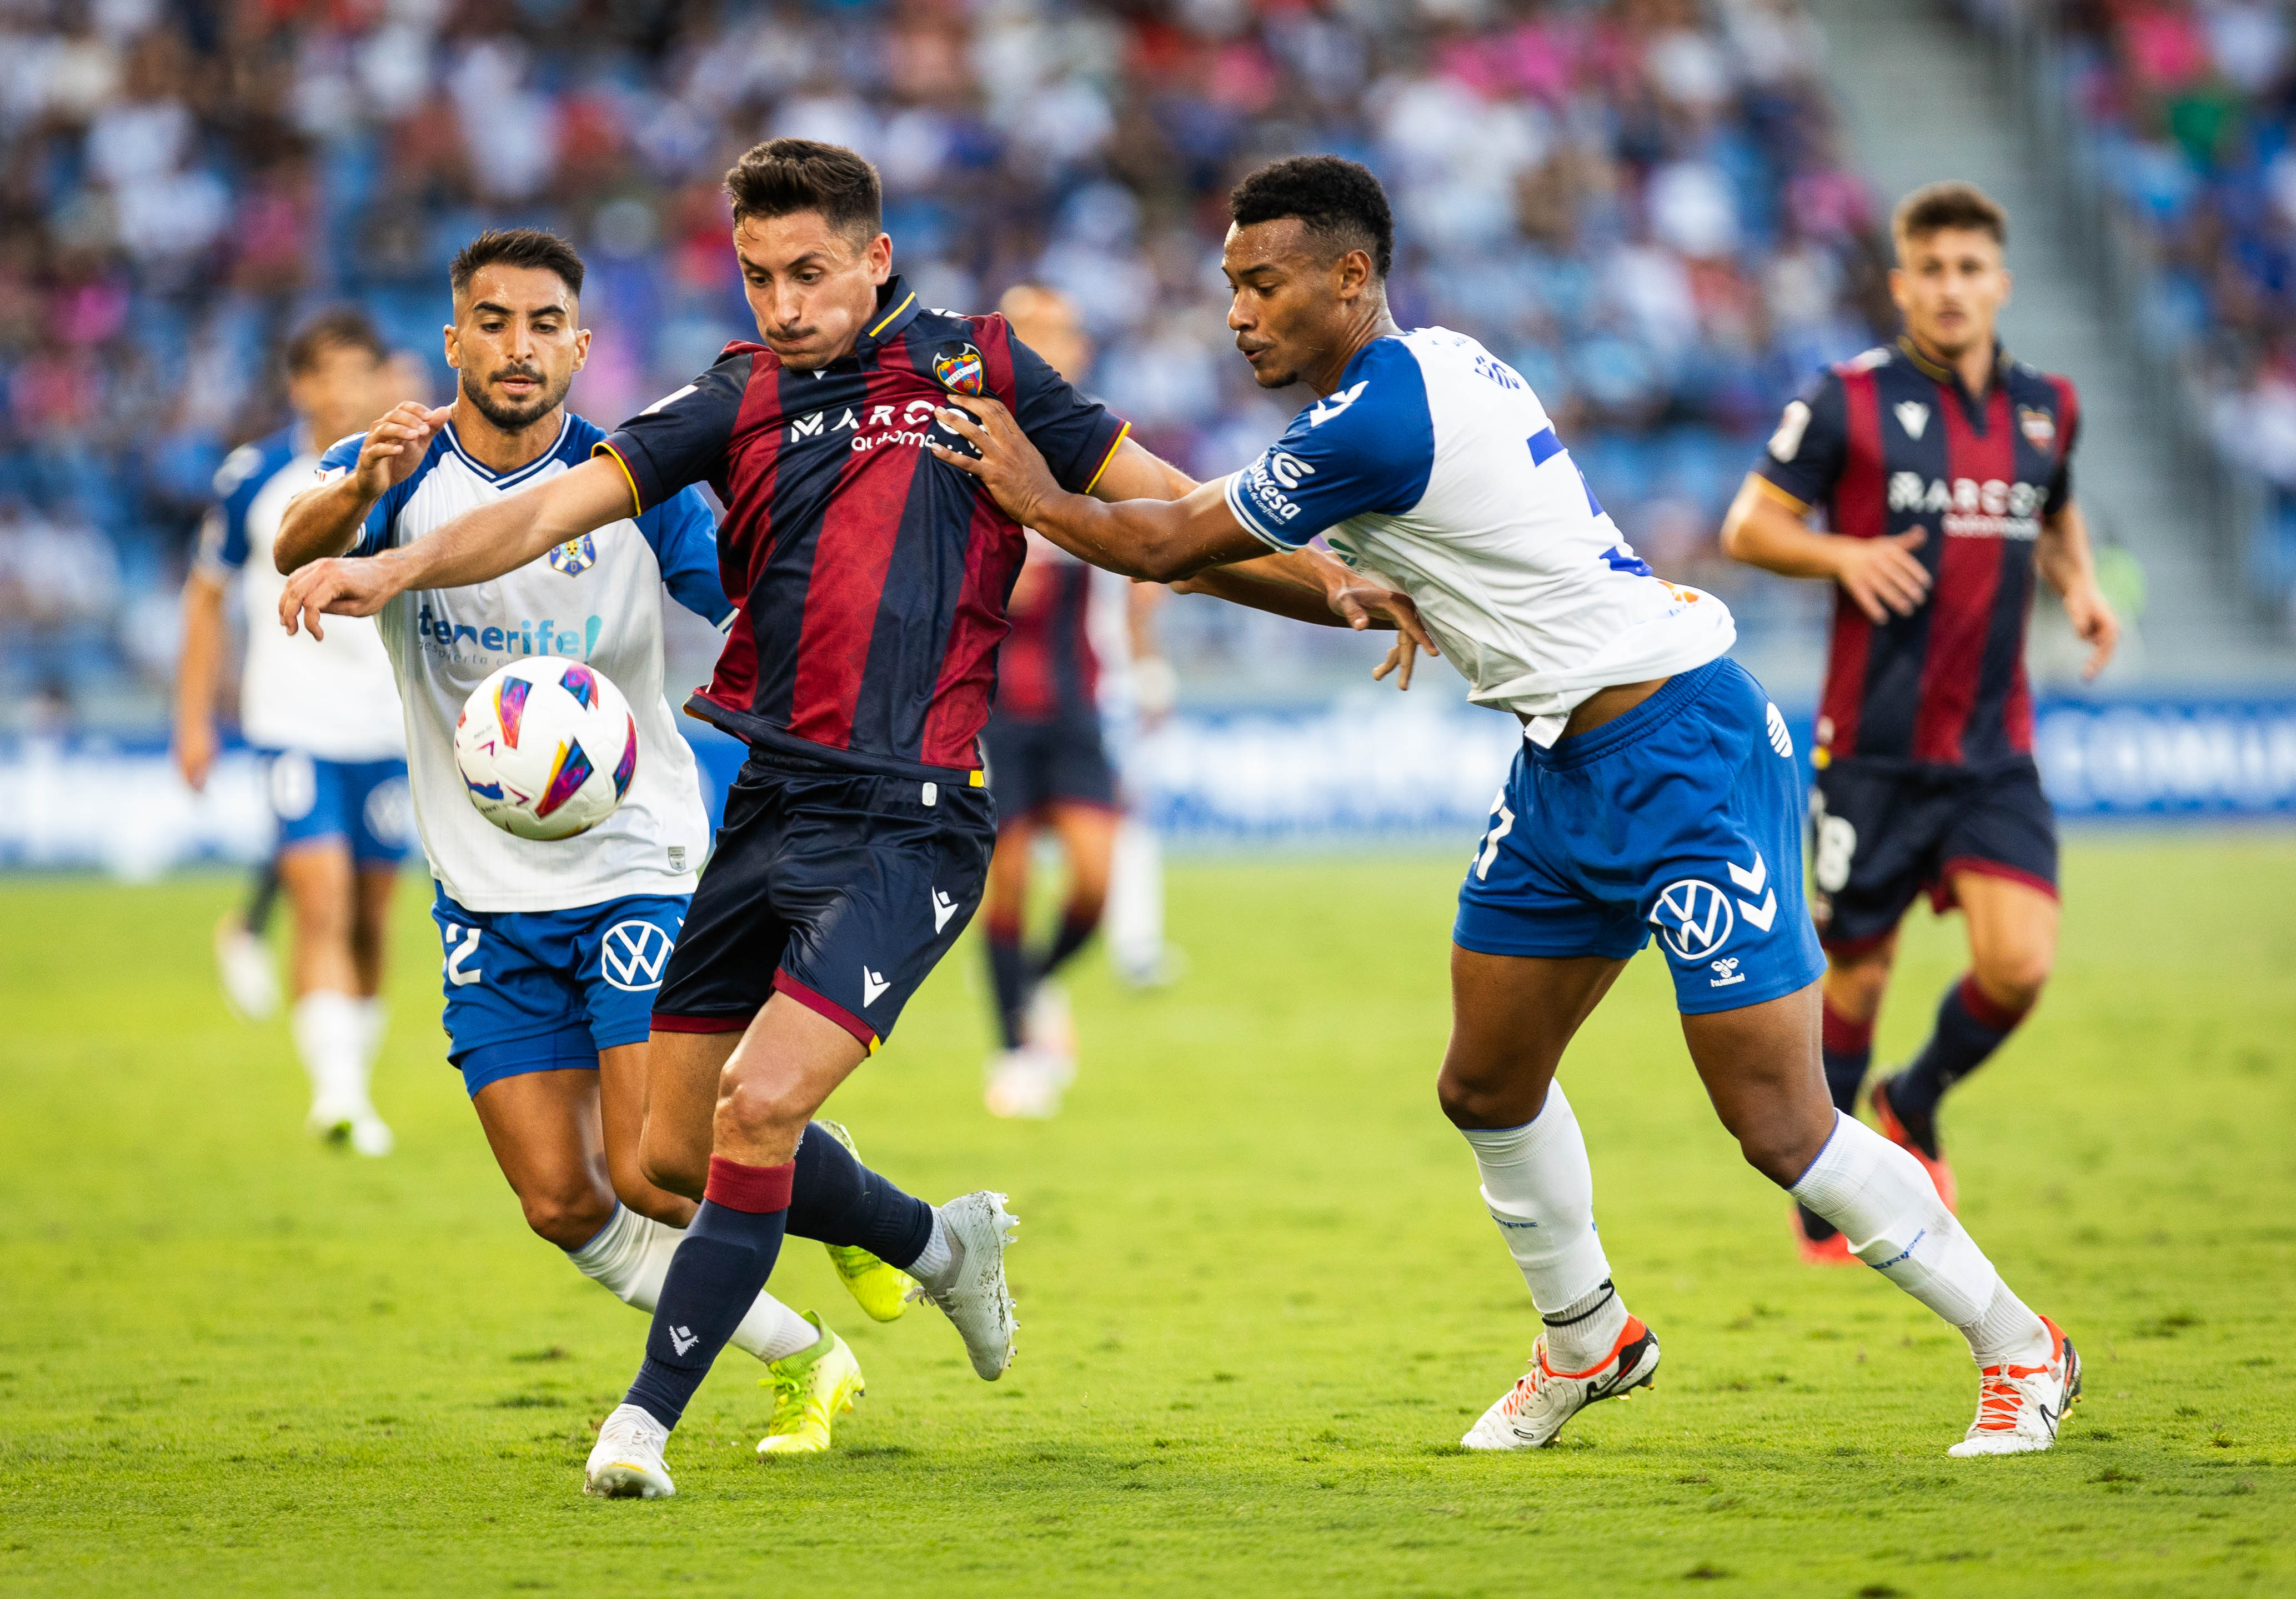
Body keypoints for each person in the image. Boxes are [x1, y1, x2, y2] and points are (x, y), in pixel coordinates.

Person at [279, 141, 1424, 1497]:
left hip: (916, 811)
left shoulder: (980, 369)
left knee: (757, 1111)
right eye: (759, 276)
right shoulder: (736, 394)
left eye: (809, 273)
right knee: (665, 1154)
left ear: (876, 258)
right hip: (770, 805)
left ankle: (642, 1426)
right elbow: (549, 511)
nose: (783, 304)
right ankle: (941, 1246)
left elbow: (1167, 511)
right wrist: (399, 558)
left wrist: (1335, 587)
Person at [936, 154, 2084, 1458]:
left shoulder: (1376, 419)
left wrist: (1031, 492)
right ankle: (1589, 1338)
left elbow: (1163, 542)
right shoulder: (1414, 375)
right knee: (1485, 1085)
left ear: (1350, 275)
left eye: (1263, 285)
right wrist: (1348, 587)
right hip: (1562, 770)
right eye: (1229, 287)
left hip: (1686, 751)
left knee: (1779, 1125)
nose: (1239, 313)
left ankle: (2020, 1346)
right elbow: (1250, 558)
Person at [273, 227, 915, 1457]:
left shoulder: (637, 484)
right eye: (495, 322)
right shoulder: (396, 471)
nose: (520, 347)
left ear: (581, 343)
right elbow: (296, 547)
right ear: (454, 338)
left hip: (639, 862)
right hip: (484, 887)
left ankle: (853, 1208)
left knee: (655, 1168)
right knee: (561, 1202)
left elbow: (749, 608)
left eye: (545, 323)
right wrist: (357, 496)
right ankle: (807, 1355)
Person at [1718, 181, 2118, 1262]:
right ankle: (1828, 1191)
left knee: (2019, 966)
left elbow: (2057, 500)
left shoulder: (2049, 406)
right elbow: (1749, 526)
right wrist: (1843, 553)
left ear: (2001, 282)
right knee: (1856, 975)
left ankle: (1915, 1092)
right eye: (1930, 270)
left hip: (1994, 751)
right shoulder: (1846, 399)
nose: (1951, 289)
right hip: (1874, 752)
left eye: (1969, 269)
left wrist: (2079, 585)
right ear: (1902, 284)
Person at [174, 308, 409, 1153]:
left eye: (364, 373)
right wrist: (193, 718)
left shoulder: (414, 470)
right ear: (302, 384)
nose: (349, 390)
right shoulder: (258, 476)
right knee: (324, 900)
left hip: (391, 729)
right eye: (333, 374)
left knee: (373, 918)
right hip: (294, 726)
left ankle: (353, 1077)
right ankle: (339, 1096)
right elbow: (205, 597)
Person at [977, 284, 1174, 1119]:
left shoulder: (1097, 451)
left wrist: (1145, 648)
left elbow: (1151, 557)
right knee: (1009, 885)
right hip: (988, 705)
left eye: (1060, 334)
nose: (1049, 348)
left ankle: (1038, 988)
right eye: (1031, 335)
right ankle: (1016, 1048)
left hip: (1078, 701)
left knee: (1093, 887)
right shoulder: (970, 442)